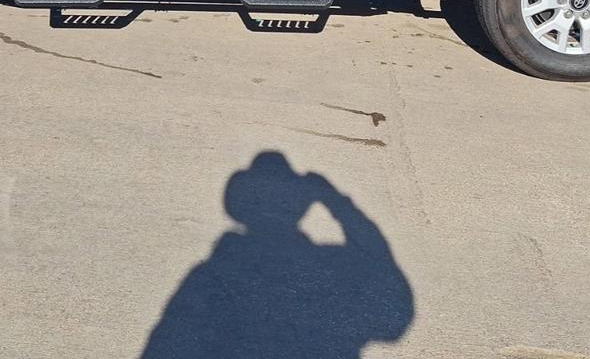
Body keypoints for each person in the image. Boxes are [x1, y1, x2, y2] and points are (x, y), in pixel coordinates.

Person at [140, 151, 414, 358]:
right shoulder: (329, 267)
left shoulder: (210, 275)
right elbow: (391, 300)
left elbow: (164, 343)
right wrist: (336, 202)